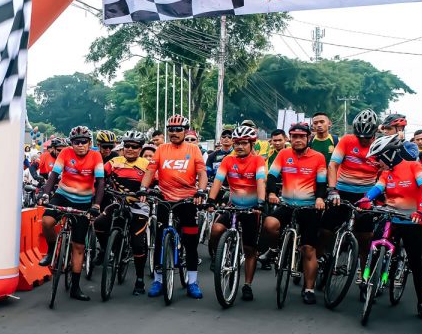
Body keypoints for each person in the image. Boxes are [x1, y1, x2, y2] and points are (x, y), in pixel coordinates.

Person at [355, 135, 422, 319]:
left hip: (413, 220)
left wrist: (421, 209)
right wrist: (366, 199)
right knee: (375, 247)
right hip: (391, 217)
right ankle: (367, 280)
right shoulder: (385, 173)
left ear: (389, 155)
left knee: (416, 262)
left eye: (378, 157)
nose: (376, 162)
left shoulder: (414, 166)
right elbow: (378, 189)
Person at [140, 114, 208, 299]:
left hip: (187, 200)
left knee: (191, 243)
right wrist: (143, 189)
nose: (174, 132)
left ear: (185, 131)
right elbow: (150, 171)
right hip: (164, 199)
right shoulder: (161, 149)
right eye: (171, 129)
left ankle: (192, 282)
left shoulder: (193, 150)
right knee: (159, 240)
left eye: (178, 129)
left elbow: (202, 174)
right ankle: (158, 280)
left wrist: (201, 191)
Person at [262, 122, 327, 305]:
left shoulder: (318, 157)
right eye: (294, 137)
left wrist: (320, 199)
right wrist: (272, 193)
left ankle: (309, 288)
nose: (298, 140)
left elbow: (322, 182)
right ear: (290, 138)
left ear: (308, 138)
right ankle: (274, 250)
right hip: (287, 204)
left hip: (309, 207)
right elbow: (273, 176)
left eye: (301, 137)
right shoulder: (283, 154)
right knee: (270, 224)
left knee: (308, 249)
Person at [38, 126, 105, 302]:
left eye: (84, 142)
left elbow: (100, 182)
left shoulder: (96, 156)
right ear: (71, 143)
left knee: (78, 246)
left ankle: (75, 287)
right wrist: (46, 193)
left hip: (83, 201)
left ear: (90, 143)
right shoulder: (66, 153)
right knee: (46, 221)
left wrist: (96, 205)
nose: (80, 145)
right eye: (76, 142)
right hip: (62, 195)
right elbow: (54, 175)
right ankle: (52, 251)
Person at [207, 125, 266, 301]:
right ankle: (220, 255)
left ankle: (247, 284)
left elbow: (261, 181)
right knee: (216, 229)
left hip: (252, 208)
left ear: (251, 144)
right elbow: (218, 181)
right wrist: (211, 200)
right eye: (237, 143)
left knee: (249, 249)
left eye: (244, 143)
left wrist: (261, 203)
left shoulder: (258, 161)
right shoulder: (227, 160)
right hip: (233, 205)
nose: (239, 146)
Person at [326, 109, 380, 284]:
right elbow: (333, 165)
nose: (363, 140)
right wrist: (332, 189)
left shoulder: (379, 145)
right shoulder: (347, 140)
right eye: (360, 137)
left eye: (367, 137)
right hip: (342, 191)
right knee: (325, 228)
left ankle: (365, 278)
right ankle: (325, 257)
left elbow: (385, 174)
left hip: (366, 195)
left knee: (365, 238)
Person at [98, 130, 150, 295]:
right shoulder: (114, 162)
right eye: (127, 145)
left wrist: (152, 191)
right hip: (117, 203)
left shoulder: (147, 164)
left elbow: (157, 182)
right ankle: (109, 251)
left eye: (134, 147)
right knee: (98, 224)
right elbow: (100, 177)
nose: (130, 149)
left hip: (138, 207)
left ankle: (140, 279)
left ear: (140, 148)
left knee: (137, 243)